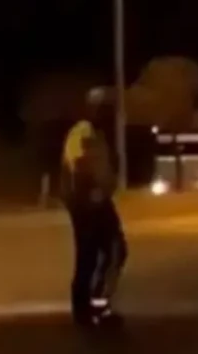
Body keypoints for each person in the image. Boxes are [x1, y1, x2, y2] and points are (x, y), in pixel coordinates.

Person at [60, 88, 127, 327]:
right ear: (94, 109)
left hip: (96, 200)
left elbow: (104, 168)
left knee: (109, 252)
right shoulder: (83, 132)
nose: (110, 112)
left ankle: (95, 307)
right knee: (97, 254)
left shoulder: (97, 134)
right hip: (87, 203)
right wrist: (93, 193)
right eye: (105, 108)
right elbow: (80, 165)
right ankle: (88, 310)